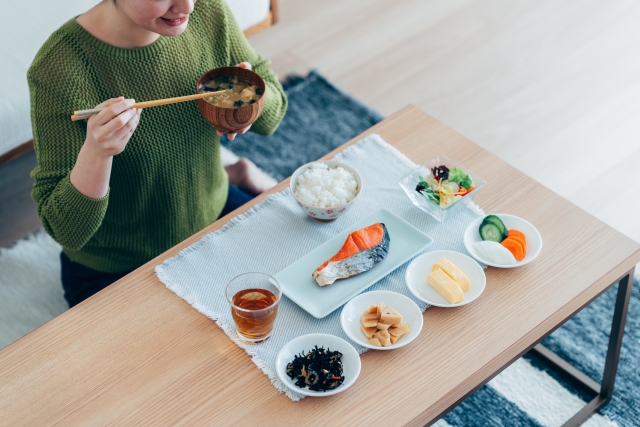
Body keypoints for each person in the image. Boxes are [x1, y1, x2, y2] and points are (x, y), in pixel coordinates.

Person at [28, 0, 288, 307]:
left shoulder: (208, 11)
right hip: (116, 267)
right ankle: (238, 175)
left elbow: (273, 117)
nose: (187, 7)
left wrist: (251, 99)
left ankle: (235, 175)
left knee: (290, 290)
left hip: (210, 217)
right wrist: (97, 154)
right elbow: (67, 231)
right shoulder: (59, 68)